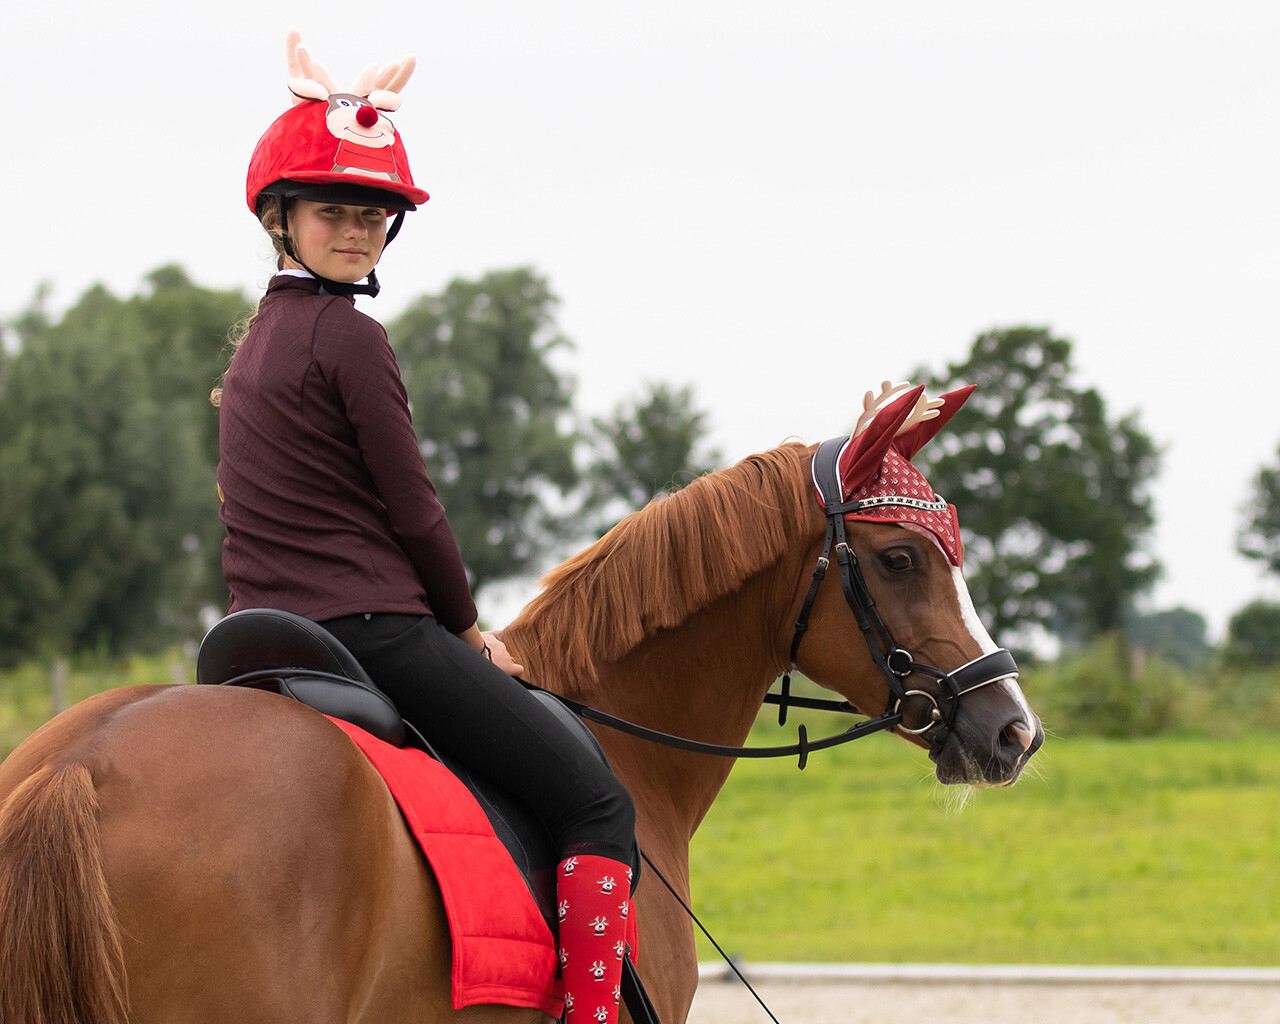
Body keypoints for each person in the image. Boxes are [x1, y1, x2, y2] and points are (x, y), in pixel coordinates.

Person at [212, 35, 636, 1023]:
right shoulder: (352, 339)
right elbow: (412, 507)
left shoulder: (250, 355)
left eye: (373, 215)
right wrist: (461, 620)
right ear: (282, 219)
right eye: (335, 212)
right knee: (596, 803)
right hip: (375, 630)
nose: (357, 231)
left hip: (260, 635)